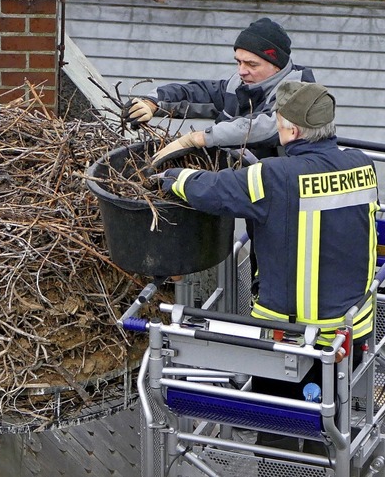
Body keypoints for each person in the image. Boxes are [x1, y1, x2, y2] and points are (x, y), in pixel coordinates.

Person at [158, 80, 378, 451]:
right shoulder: (362, 165)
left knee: (277, 435)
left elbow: (213, 192)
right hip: (352, 330)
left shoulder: (274, 176)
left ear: (291, 129)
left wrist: (174, 179)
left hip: (293, 338)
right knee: (332, 420)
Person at [126, 17, 316, 291]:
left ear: (277, 65)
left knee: (281, 272)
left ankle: (276, 319)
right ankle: (255, 310)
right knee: (260, 264)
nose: (242, 71)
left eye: (252, 64)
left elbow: (267, 126)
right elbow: (198, 93)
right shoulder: (239, 87)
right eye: (238, 62)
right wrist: (153, 102)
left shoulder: (300, 92)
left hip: (290, 205)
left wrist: (200, 137)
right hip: (255, 198)